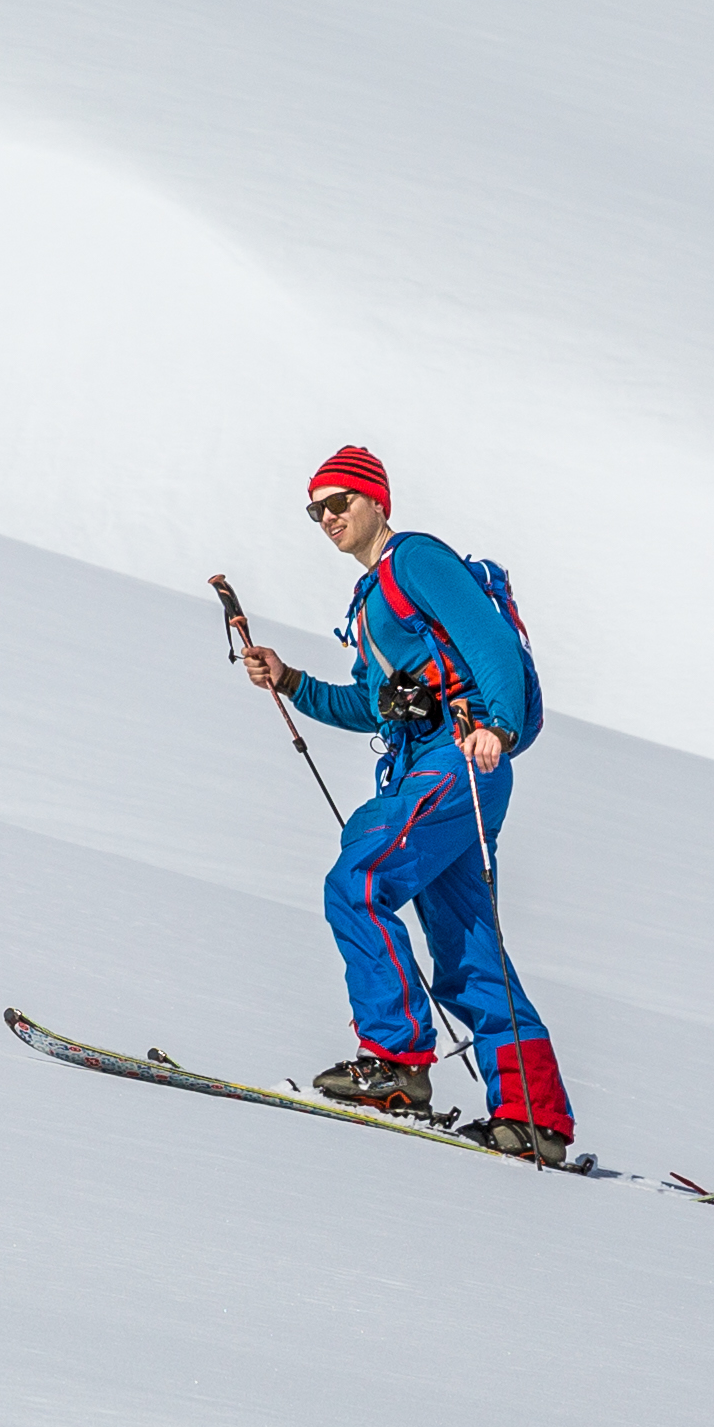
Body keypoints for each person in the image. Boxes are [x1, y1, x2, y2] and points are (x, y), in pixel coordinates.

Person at [235, 444, 570, 1155]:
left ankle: (396, 1063)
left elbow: (488, 642)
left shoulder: (415, 559)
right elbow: (370, 706)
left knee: (359, 878)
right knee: (466, 951)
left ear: (376, 500)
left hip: (461, 757)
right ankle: (533, 1117)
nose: (329, 517)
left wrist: (500, 727)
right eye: (316, 511)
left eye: (340, 502)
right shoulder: (370, 600)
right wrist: (290, 680)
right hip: (430, 763)